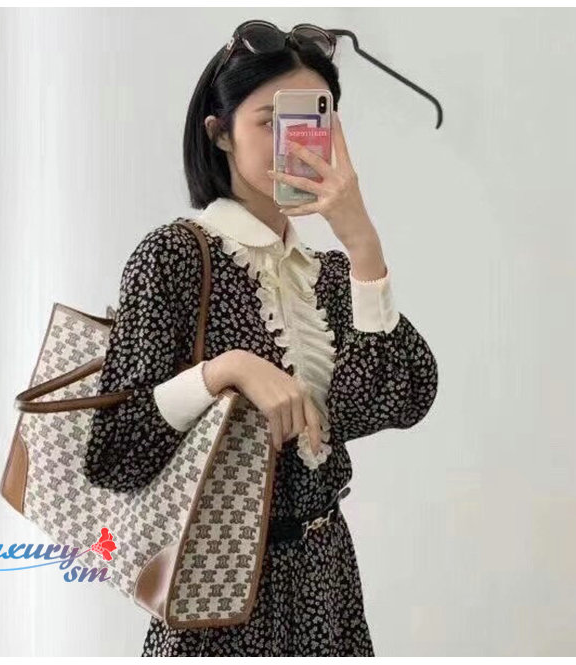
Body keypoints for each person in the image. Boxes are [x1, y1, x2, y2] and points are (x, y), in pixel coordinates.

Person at [82, 21, 439, 657]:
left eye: (307, 122)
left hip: (326, 578)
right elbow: (115, 452)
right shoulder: (175, 257)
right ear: (219, 133)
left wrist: (363, 244)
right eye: (269, 121)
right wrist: (228, 369)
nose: (291, 143)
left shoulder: (330, 275)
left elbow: (398, 399)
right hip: (215, 586)